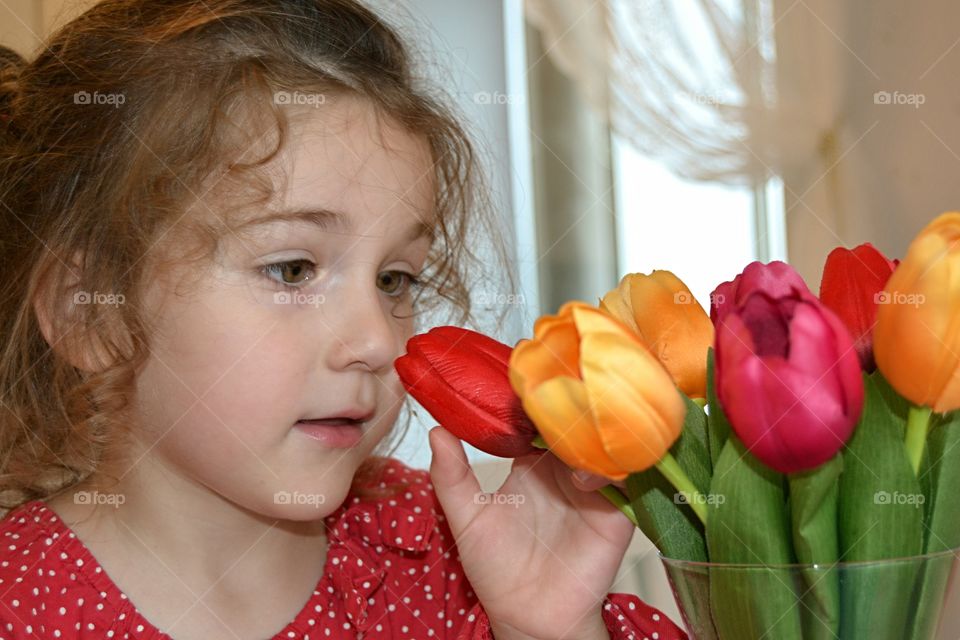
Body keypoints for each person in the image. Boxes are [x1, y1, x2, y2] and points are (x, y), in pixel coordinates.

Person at [0, 2, 686, 638]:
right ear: (92, 316)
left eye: (394, 280)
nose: (379, 341)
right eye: (292, 270)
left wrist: (546, 628)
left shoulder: (458, 560)